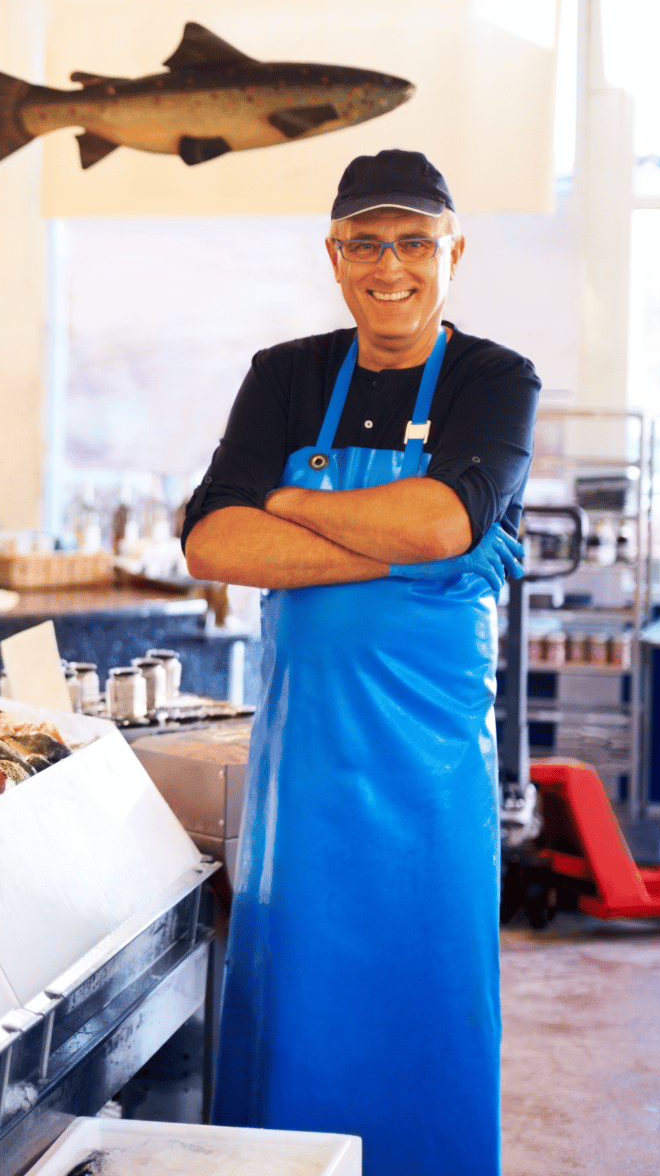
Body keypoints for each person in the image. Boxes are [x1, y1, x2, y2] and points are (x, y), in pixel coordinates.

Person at [182, 149, 541, 1176]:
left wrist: (287, 507)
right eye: (367, 242)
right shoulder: (286, 373)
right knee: (296, 989)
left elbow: (444, 515)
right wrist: (398, 545)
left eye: (414, 241)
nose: (392, 265)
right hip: (309, 758)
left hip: (433, 764)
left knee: (427, 988)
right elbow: (212, 542)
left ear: (452, 251)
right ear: (334, 256)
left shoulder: (492, 377)